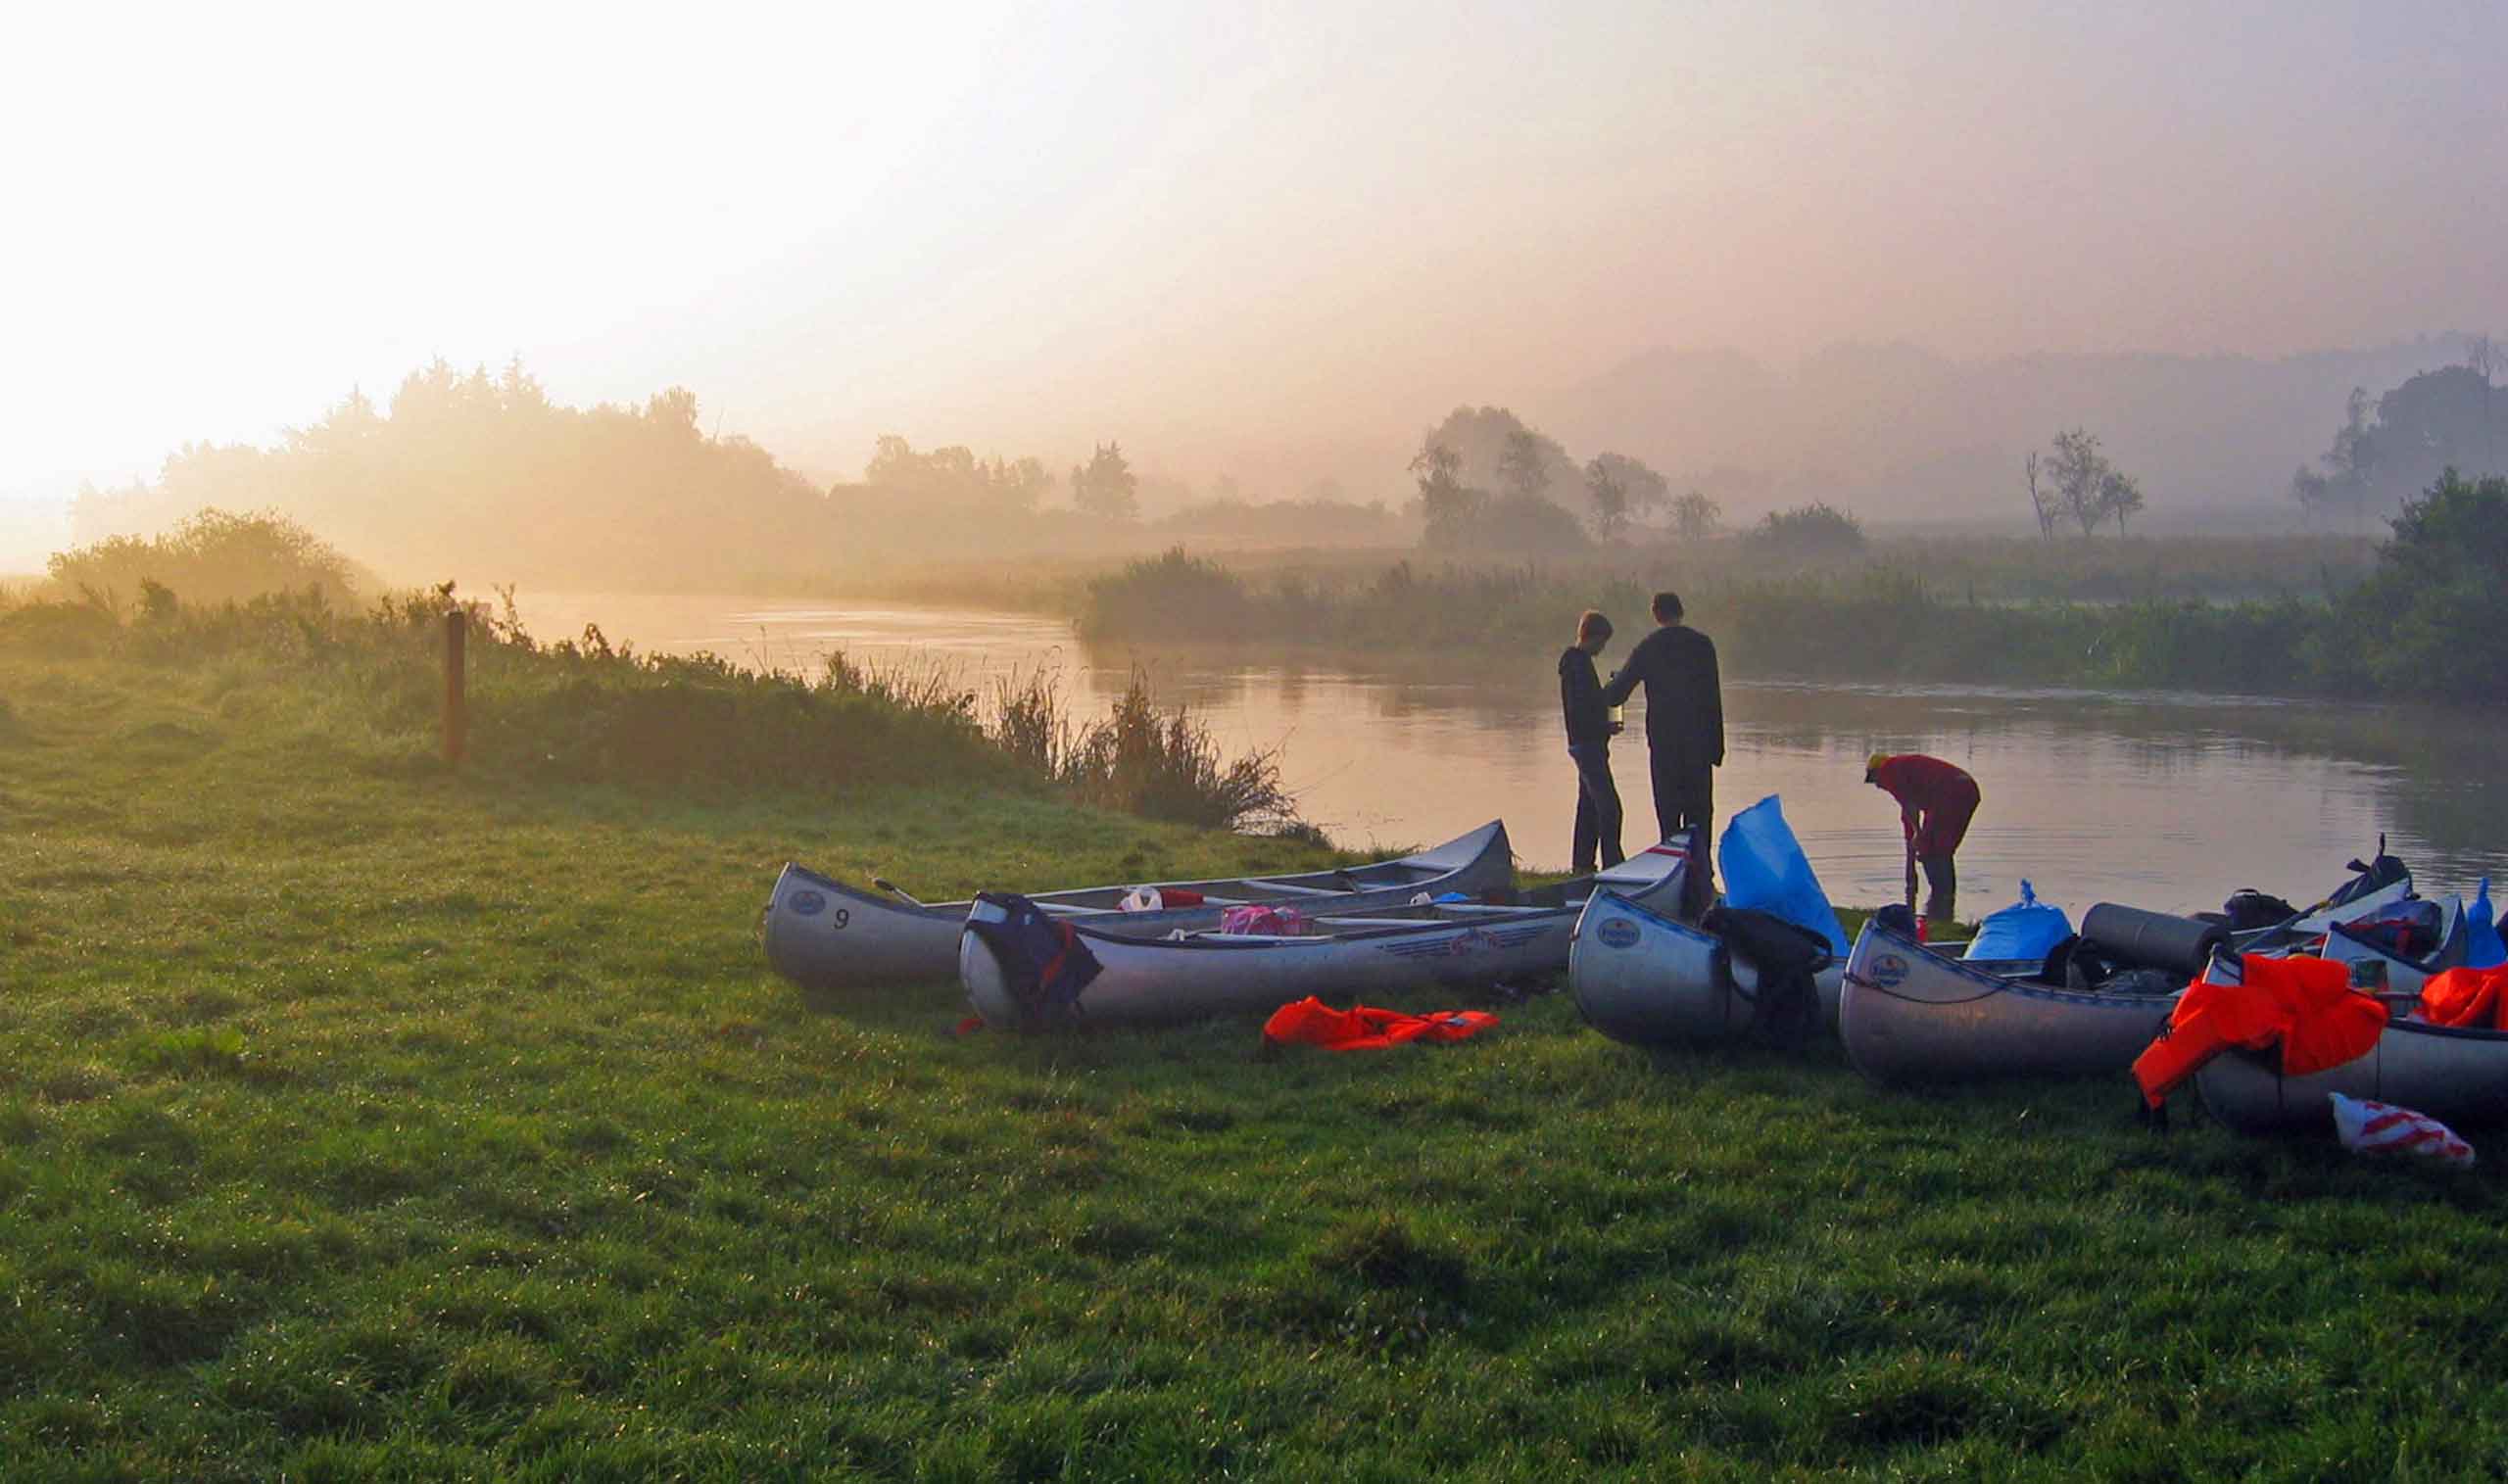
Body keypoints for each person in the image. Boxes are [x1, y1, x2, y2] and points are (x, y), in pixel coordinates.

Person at [1600, 591, 1724, 844]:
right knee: (1700, 814)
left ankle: (1672, 869)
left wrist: (1594, 692)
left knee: (1668, 812)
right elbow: (1713, 698)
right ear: (1681, 612)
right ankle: (1701, 875)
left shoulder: (1649, 647)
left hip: (1664, 742)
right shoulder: (1702, 645)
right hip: (1699, 743)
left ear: (1656, 614)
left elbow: (1617, 694)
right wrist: (1717, 748)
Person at [1865, 752, 1981, 924]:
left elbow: (1910, 809)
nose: (1878, 786)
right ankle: (1945, 903)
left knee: (1930, 848)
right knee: (1942, 849)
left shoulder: (1889, 771)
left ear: (1876, 772)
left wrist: (1919, 836)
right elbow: (1908, 818)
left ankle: (1939, 905)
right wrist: (1911, 870)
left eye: (1874, 780)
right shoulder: (1906, 773)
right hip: (1968, 790)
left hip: (1949, 793)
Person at [1557, 609, 1623, 873]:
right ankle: (1613, 864)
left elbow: (1586, 706)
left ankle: (1582, 865)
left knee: (1588, 807)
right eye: (1602, 642)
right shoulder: (1577, 665)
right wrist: (1603, 725)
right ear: (1591, 637)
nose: (1602, 648)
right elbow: (1582, 709)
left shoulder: (1576, 664)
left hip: (1586, 742)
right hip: (1588, 745)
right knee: (1610, 807)